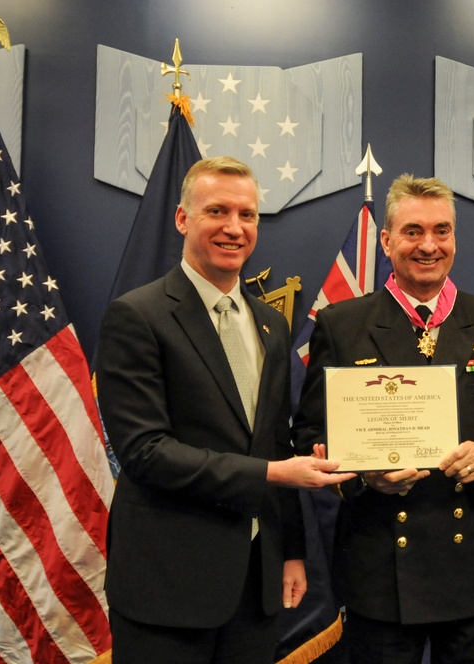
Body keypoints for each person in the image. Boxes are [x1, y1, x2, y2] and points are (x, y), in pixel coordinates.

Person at [96, 156, 355, 663]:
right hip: (166, 584)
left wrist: (294, 552)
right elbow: (145, 452)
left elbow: (274, 439)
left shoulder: (270, 325)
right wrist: (274, 473)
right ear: (182, 219)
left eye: (248, 215)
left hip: (255, 582)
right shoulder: (137, 317)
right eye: (217, 211)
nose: (234, 228)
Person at [292, 174, 474, 664]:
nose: (429, 245)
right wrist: (363, 473)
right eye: (413, 232)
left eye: (442, 231)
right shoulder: (341, 326)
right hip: (378, 566)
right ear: (386, 240)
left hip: (472, 567)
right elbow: (310, 434)